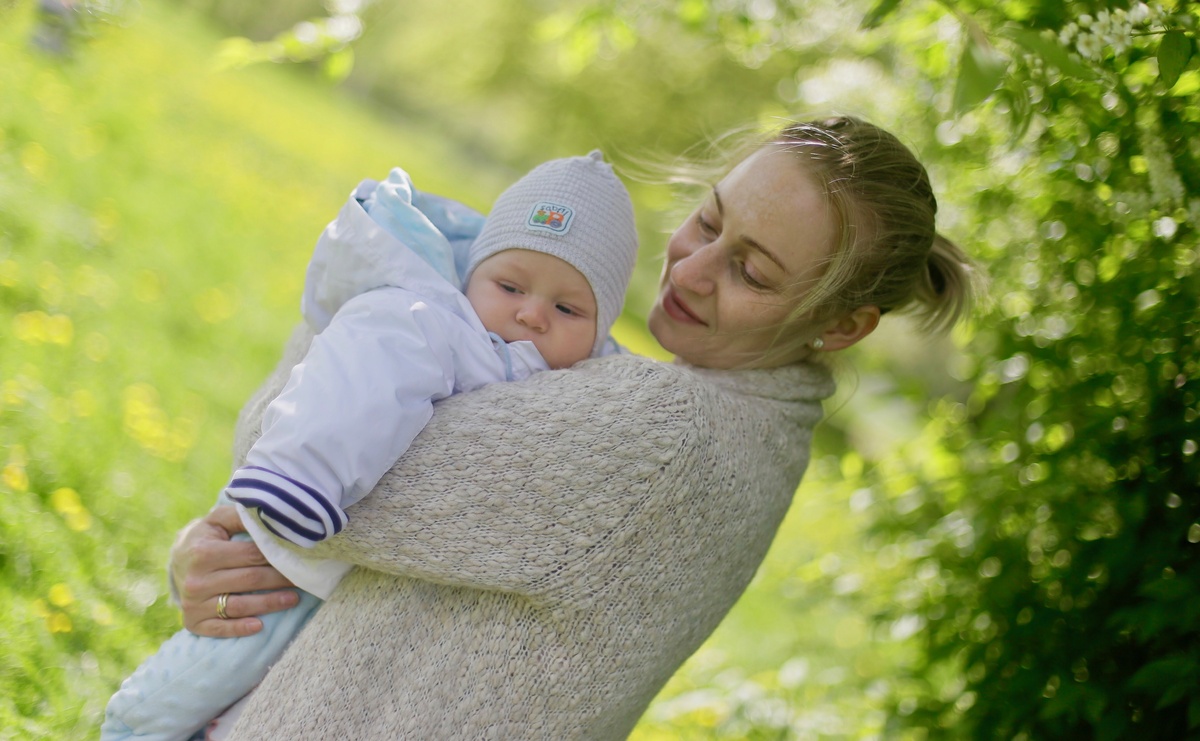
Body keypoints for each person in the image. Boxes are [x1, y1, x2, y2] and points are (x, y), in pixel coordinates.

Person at [163, 116, 976, 739]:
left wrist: (378, 303)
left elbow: (303, 454)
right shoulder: (734, 431)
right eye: (708, 221)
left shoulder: (664, 438)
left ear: (840, 327)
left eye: (751, 271)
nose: (691, 269)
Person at [100, 152, 639, 741]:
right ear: (470, 277)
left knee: (251, 707)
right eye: (509, 285)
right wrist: (299, 479)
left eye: (567, 308)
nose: (531, 313)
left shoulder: (590, 395)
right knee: (177, 694)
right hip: (296, 543)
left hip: (369, 616)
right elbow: (361, 376)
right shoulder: (433, 322)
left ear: (598, 334)